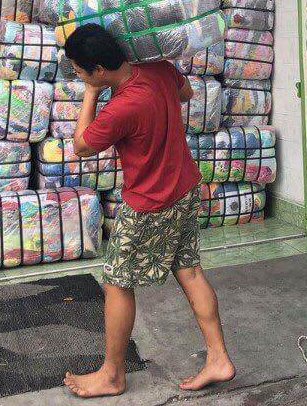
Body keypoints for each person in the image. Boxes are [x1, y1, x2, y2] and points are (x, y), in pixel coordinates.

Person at [61, 23, 235, 398]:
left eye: (79, 71)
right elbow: (185, 91)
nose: (78, 76)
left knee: (117, 282)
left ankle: (112, 374)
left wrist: (90, 95)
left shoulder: (121, 108)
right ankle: (218, 357)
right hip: (186, 187)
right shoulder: (157, 69)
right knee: (189, 270)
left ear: (99, 71)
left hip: (150, 203)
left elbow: (81, 145)